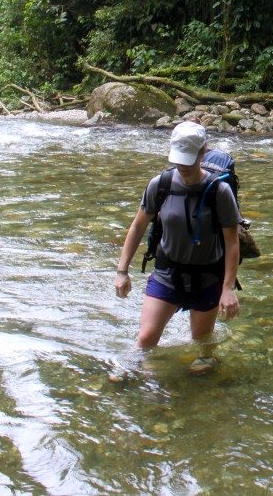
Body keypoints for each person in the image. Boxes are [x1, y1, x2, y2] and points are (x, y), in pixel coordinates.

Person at [114, 122, 240, 374]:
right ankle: (130, 371)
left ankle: (206, 362)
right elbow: (138, 227)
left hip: (207, 276)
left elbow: (232, 242)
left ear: (203, 152)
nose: (182, 167)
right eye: (178, 161)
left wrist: (227, 289)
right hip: (167, 273)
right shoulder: (160, 185)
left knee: (202, 345)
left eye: (188, 161)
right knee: (146, 338)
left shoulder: (219, 191)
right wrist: (122, 270)